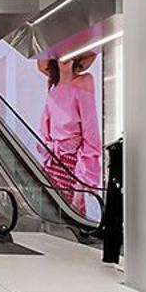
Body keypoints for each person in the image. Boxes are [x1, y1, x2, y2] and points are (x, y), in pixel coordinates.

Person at [36, 52, 102, 216]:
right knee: (52, 216)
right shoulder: (53, 89)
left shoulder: (84, 81)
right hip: (52, 162)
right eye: (60, 53)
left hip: (73, 164)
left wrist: (82, 182)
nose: (65, 58)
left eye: (70, 53)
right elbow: (45, 131)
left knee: (72, 217)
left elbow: (91, 132)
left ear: (76, 57)